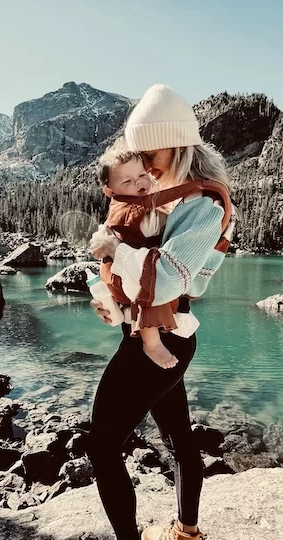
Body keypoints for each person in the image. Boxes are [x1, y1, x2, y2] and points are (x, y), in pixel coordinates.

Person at [84, 84, 234, 540]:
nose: (143, 166)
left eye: (148, 153)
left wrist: (112, 251)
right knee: (179, 438)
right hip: (170, 335)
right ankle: (185, 539)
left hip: (163, 339)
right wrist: (110, 296)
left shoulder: (199, 204)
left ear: (174, 145)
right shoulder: (169, 198)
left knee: (102, 444)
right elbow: (134, 264)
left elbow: (168, 279)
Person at [95, 138, 182, 370]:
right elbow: (154, 226)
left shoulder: (127, 202)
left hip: (116, 271)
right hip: (123, 274)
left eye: (143, 175)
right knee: (149, 288)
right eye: (128, 181)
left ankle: (127, 315)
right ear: (109, 190)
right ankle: (151, 343)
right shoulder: (133, 211)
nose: (139, 183)